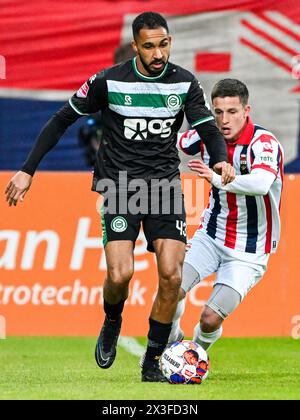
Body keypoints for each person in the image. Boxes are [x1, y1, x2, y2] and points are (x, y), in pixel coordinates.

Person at [4, 12, 233, 382]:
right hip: (120, 186)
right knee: (120, 273)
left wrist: (220, 159)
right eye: (149, 46)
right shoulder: (108, 81)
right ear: (135, 46)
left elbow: (206, 127)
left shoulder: (185, 82)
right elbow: (62, 118)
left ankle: (152, 362)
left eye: (164, 44)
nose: (158, 53)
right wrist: (28, 169)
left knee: (172, 278)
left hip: (163, 187)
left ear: (170, 41)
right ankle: (112, 321)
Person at [170, 78, 284, 352]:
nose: (224, 120)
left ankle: (194, 356)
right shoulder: (207, 135)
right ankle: (170, 343)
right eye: (218, 112)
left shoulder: (264, 144)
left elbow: (260, 184)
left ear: (247, 111)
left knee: (209, 318)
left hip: (249, 249)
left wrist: (217, 179)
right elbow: (173, 140)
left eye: (232, 112)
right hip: (210, 236)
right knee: (171, 289)